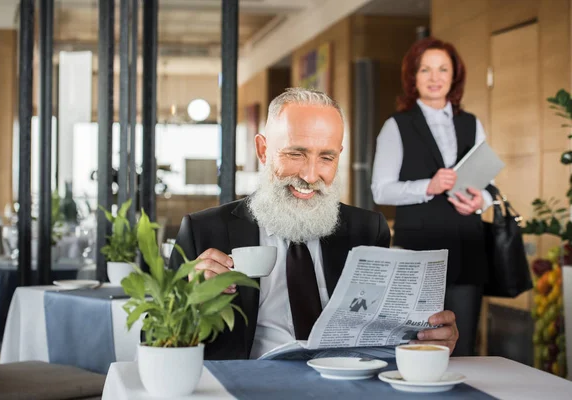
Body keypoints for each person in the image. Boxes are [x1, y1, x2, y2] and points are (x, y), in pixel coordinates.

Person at [172, 87, 459, 360]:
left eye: (326, 157)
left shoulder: (368, 230)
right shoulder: (204, 231)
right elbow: (153, 338)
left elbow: (381, 336)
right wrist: (187, 302)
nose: (310, 176)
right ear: (263, 150)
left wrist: (428, 338)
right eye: (296, 154)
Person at [371, 37, 490, 357]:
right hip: (419, 249)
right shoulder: (396, 125)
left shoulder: (472, 123)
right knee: (419, 339)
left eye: (442, 69)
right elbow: (381, 189)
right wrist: (428, 186)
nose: (435, 77)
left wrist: (482, 201)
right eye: (425, 70)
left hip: (467, 244)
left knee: (464, 343)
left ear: (454, 76)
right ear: (413, 77)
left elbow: (488, 186)